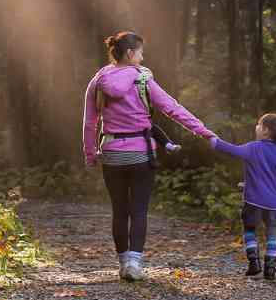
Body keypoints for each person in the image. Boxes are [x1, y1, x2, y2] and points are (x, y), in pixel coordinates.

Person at [83, 31, 216, 281]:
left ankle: (123, 264)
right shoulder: (142, 79)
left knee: (119, 210)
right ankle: (134, 264)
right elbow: (172, 108)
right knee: (139, 210)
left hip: (112, 154)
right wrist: (203, 131)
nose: (143, 58)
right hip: (141, 154)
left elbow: (90, 122)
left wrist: (91, 153)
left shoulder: (99, 80)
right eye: (141, 53)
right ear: (131, 53)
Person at [209, 113, 276, 281]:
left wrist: (215, 142)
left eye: (258, 124)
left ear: (264, 130)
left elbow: (232, 150)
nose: (256, 127)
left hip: (254, 202)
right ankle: (270, 268)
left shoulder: (253, 148)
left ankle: (254, 264)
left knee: (250, 230)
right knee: (272, 235)